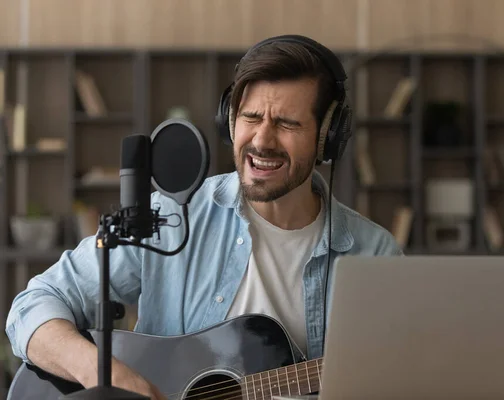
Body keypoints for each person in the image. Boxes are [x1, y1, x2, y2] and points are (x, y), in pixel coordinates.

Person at [5, 35, 402, 399]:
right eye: (250, 117)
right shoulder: (171, 216)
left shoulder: (373, 254)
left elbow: (400, 376)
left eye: (286, 123)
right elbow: (34, 305)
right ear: (229, 121)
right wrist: (100, 372)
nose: (262, 140)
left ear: (326, 137)